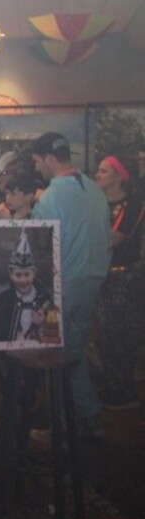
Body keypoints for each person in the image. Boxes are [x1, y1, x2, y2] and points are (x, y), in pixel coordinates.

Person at [29, 131, 111, 436]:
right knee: (73, 354)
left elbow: (37, 249)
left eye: (37, 161)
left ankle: (58, 428)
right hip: (93, 282)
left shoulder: (50, 197)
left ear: (49, 158)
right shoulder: (94, 189)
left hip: (60, 288)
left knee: (50, 354)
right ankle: (90, 416)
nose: (37, 167)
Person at [90, 155, 144, 409]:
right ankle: (114, 384)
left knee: (120, 334)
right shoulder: (97, 203)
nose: (98, 175)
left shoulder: (132, 205)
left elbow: (113, 239)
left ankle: (125, 391)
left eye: (104, 171)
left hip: (123, 277)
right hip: (102, 274)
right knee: (104, 335)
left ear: (120, 176)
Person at [0, 230, 54, 344]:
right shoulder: (3, 301)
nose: (23, 280)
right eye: (18, 275)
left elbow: (54, 334)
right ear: (10, 274)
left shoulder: (45, 299)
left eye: (27, 274)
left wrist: (42, 324)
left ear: (34, 273)